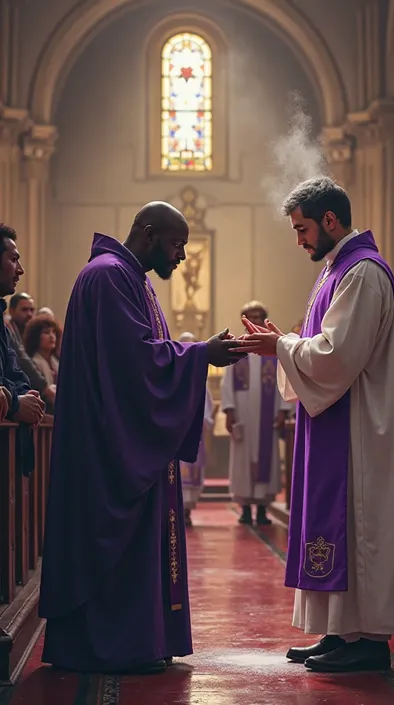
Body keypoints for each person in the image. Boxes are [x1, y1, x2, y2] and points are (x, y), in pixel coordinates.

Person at [39, 202, 246, 675]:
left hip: (121, 441)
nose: (181, 257)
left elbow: (146, 358)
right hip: (106, 449)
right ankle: (111, 645)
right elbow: (134, 364)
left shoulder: (131, 279)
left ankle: (137, 641)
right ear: (149, 234)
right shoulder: (109, 277)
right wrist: (201, 354)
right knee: (116, 548)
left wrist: (195, 355)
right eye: (176, 245)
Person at [239, 177, 394, 673]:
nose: (298, 240)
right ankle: (341, 632)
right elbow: (325, 344)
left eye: (302, 229)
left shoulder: (361, 272)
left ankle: (369, 641)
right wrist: (285, 340)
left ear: (329, 220)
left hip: (361, 430)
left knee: (359, 526)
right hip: (337, 425)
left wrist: (279, 346)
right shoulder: (335, 270)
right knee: (338, 525)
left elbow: (338, 354)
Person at [221, 301, 291, 525]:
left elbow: (282, 380)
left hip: (267, 418)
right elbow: (227, 382)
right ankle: (245, 509)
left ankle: (262, 508)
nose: (255, 321)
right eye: (251, 317)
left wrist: (282, 410)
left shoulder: (273, 349)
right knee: (242, 461)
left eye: (259, 317)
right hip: (243, 416)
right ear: (244, 320)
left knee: (266, 459)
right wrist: (229, 411)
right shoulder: (236, 347)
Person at [0, 225, 45, 472]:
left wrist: (27, 398)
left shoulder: (2, 324)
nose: (20, 270)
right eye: (13, 259)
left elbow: (18, 375)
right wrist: (16, 403)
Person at [178, 331, 215, 527]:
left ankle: (187, 510)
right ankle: (178, 509)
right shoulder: (172, 377)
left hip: (194, 433)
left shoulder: (201, 379)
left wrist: (205, 421)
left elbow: (207, 407)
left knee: (192, 475)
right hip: (177, 434)